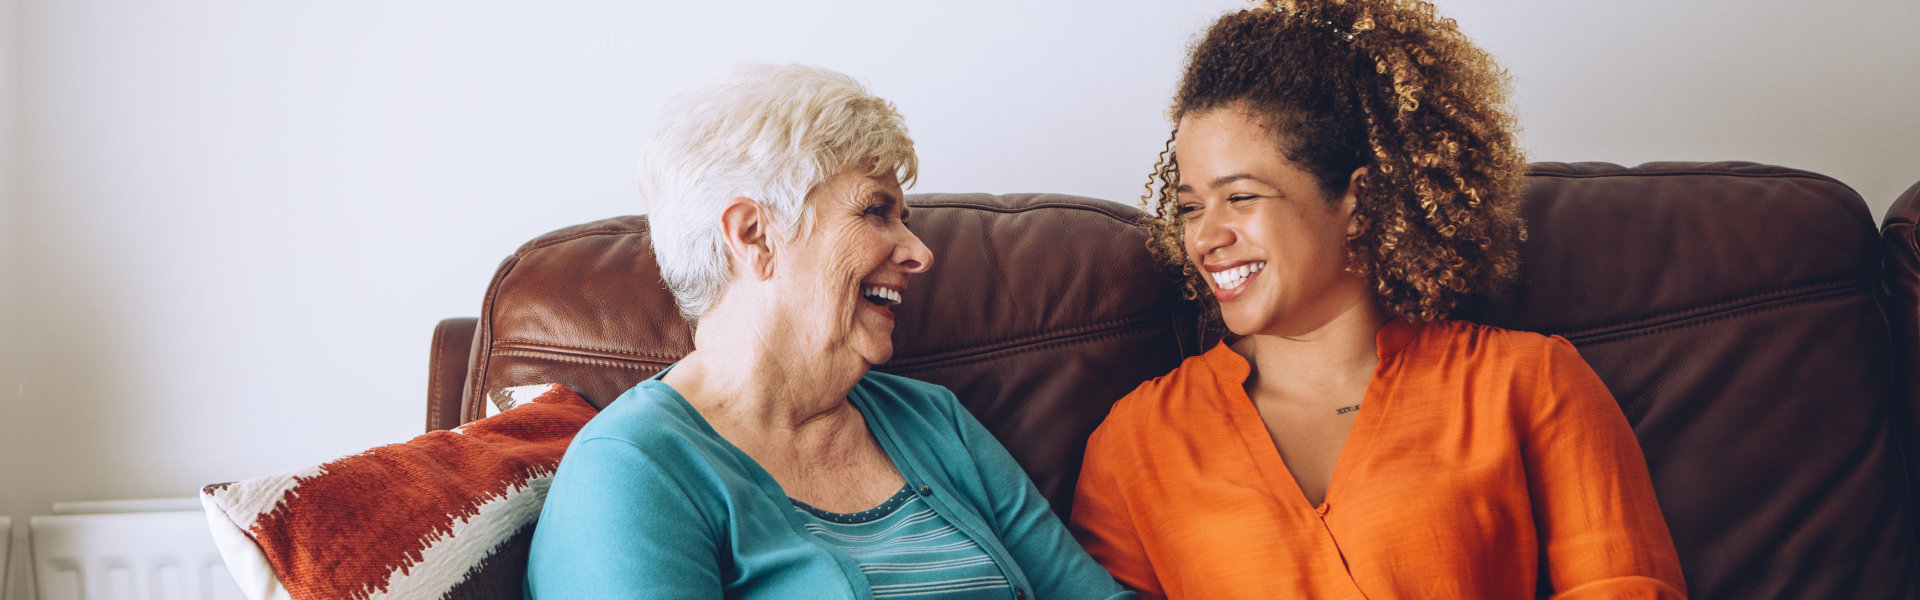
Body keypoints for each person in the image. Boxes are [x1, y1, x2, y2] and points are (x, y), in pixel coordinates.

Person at [1068, 2, 1687, 598]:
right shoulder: (1135, 441)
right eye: (1189, 207)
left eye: (1242, 197)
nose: (1205, 237)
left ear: (1357, 202)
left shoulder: (1529, 383)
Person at [523, 62, 1131, 600]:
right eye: (875, 211)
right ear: (755, 235)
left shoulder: (934, 422)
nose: (920, 252)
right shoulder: (634, 469)